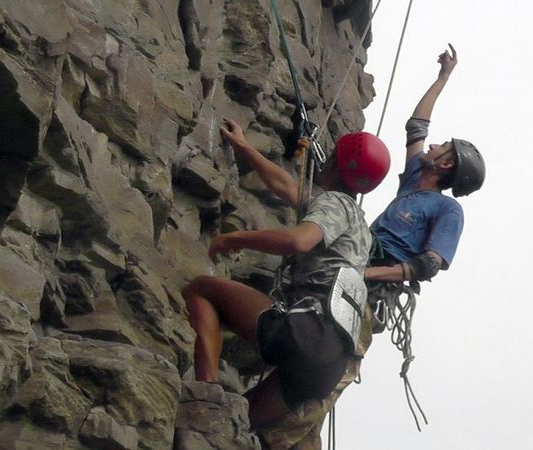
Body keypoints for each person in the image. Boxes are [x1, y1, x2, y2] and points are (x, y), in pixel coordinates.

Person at [182, 119, 389, 438]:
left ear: (337, 163)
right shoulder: (360, 230)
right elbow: (287, 188)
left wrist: (235, 238)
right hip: (329, 366)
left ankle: (205, 391)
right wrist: (245, 148)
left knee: (202, 290)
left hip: (309, 332)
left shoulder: (335, 203)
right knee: (232, 425)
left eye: (333, 154)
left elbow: (298, 241)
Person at [366, 43, 485, 290]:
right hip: (361, 253)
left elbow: (429, 264)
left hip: (379, 275)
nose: (432, 145)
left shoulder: (448, 209)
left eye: (442, 147)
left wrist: (366, 274)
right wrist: (443, 77)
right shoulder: (414, 180)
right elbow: (416, 128)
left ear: (447, 163)